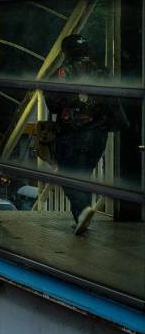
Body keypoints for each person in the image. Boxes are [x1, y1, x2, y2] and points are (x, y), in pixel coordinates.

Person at [45, 33, 129, 235]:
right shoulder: (103, 70)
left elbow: (54, 103)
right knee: (84, 173)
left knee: (68, 174)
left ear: (66, 51)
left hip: (73, 133)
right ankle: (80, 217)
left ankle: (83, 210)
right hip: (99, 134)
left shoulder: (64, 72)